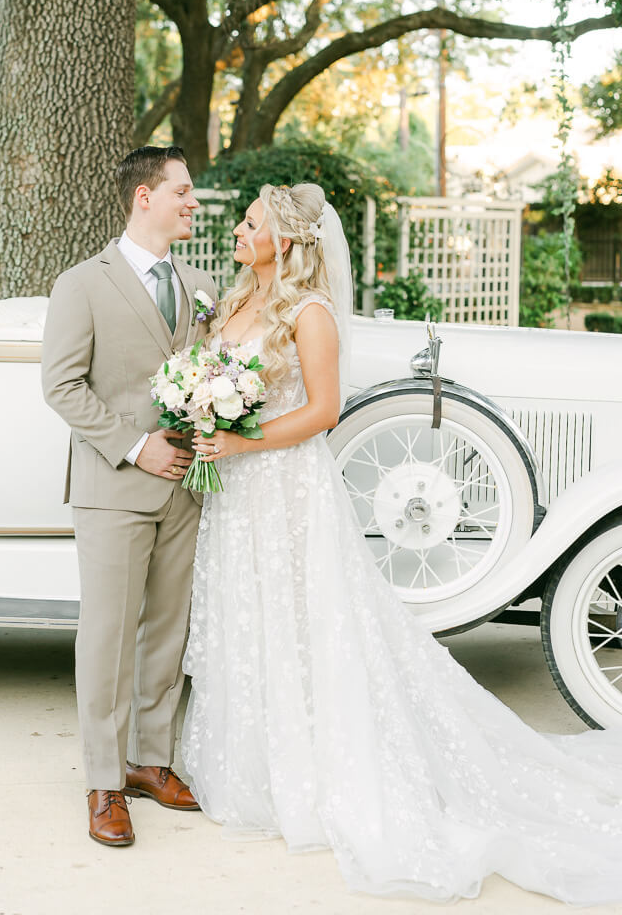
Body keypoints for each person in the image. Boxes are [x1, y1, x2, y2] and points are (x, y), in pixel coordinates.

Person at [181, 181, 622, 903]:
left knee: (303, 621)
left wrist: (238, 436)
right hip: (238, 495)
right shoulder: (233, 303)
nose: (237, 231)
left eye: (250, 223)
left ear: (283, 240)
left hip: (287, 486)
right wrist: (202, 410)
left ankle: (320, 769)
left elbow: (323, 412)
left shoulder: (311, 313)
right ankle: (253, 764)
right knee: (250, 616)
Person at [41, 145, 217, 848]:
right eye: (182, 191)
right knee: (109, 637)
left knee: (168, 633)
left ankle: (151, 761)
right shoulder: (83, 283)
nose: (193, 202)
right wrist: (136, 444)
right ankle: (103, 781)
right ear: (144, 197)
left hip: (186, 490)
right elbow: (61, 386)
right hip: (114, 486)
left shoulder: (201, 283)